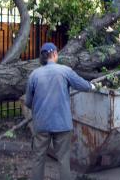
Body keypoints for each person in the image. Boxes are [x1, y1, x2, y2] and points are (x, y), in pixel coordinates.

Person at [25, 42, 96, 180]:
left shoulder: (34, 75)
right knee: (63, 159)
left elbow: (28, 102)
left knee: (38, 159)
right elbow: (83, 85)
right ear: (55, 54)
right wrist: (92, 86)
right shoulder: (65, 71)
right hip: (62, 123)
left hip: (41, 124)